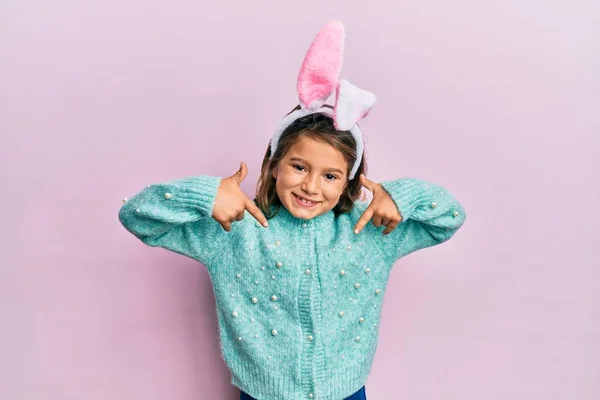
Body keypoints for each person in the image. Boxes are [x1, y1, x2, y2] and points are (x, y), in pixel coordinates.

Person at [119, 20, 466, 400]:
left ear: (348, 182)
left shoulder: (369, 233)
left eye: (331, 175)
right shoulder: (236, 232)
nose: (311, 186)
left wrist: (403, 197)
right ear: (275, 166)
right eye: (299, 167)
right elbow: (137, 217)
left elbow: (449, 219)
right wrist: (202, 196)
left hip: (348, 392)